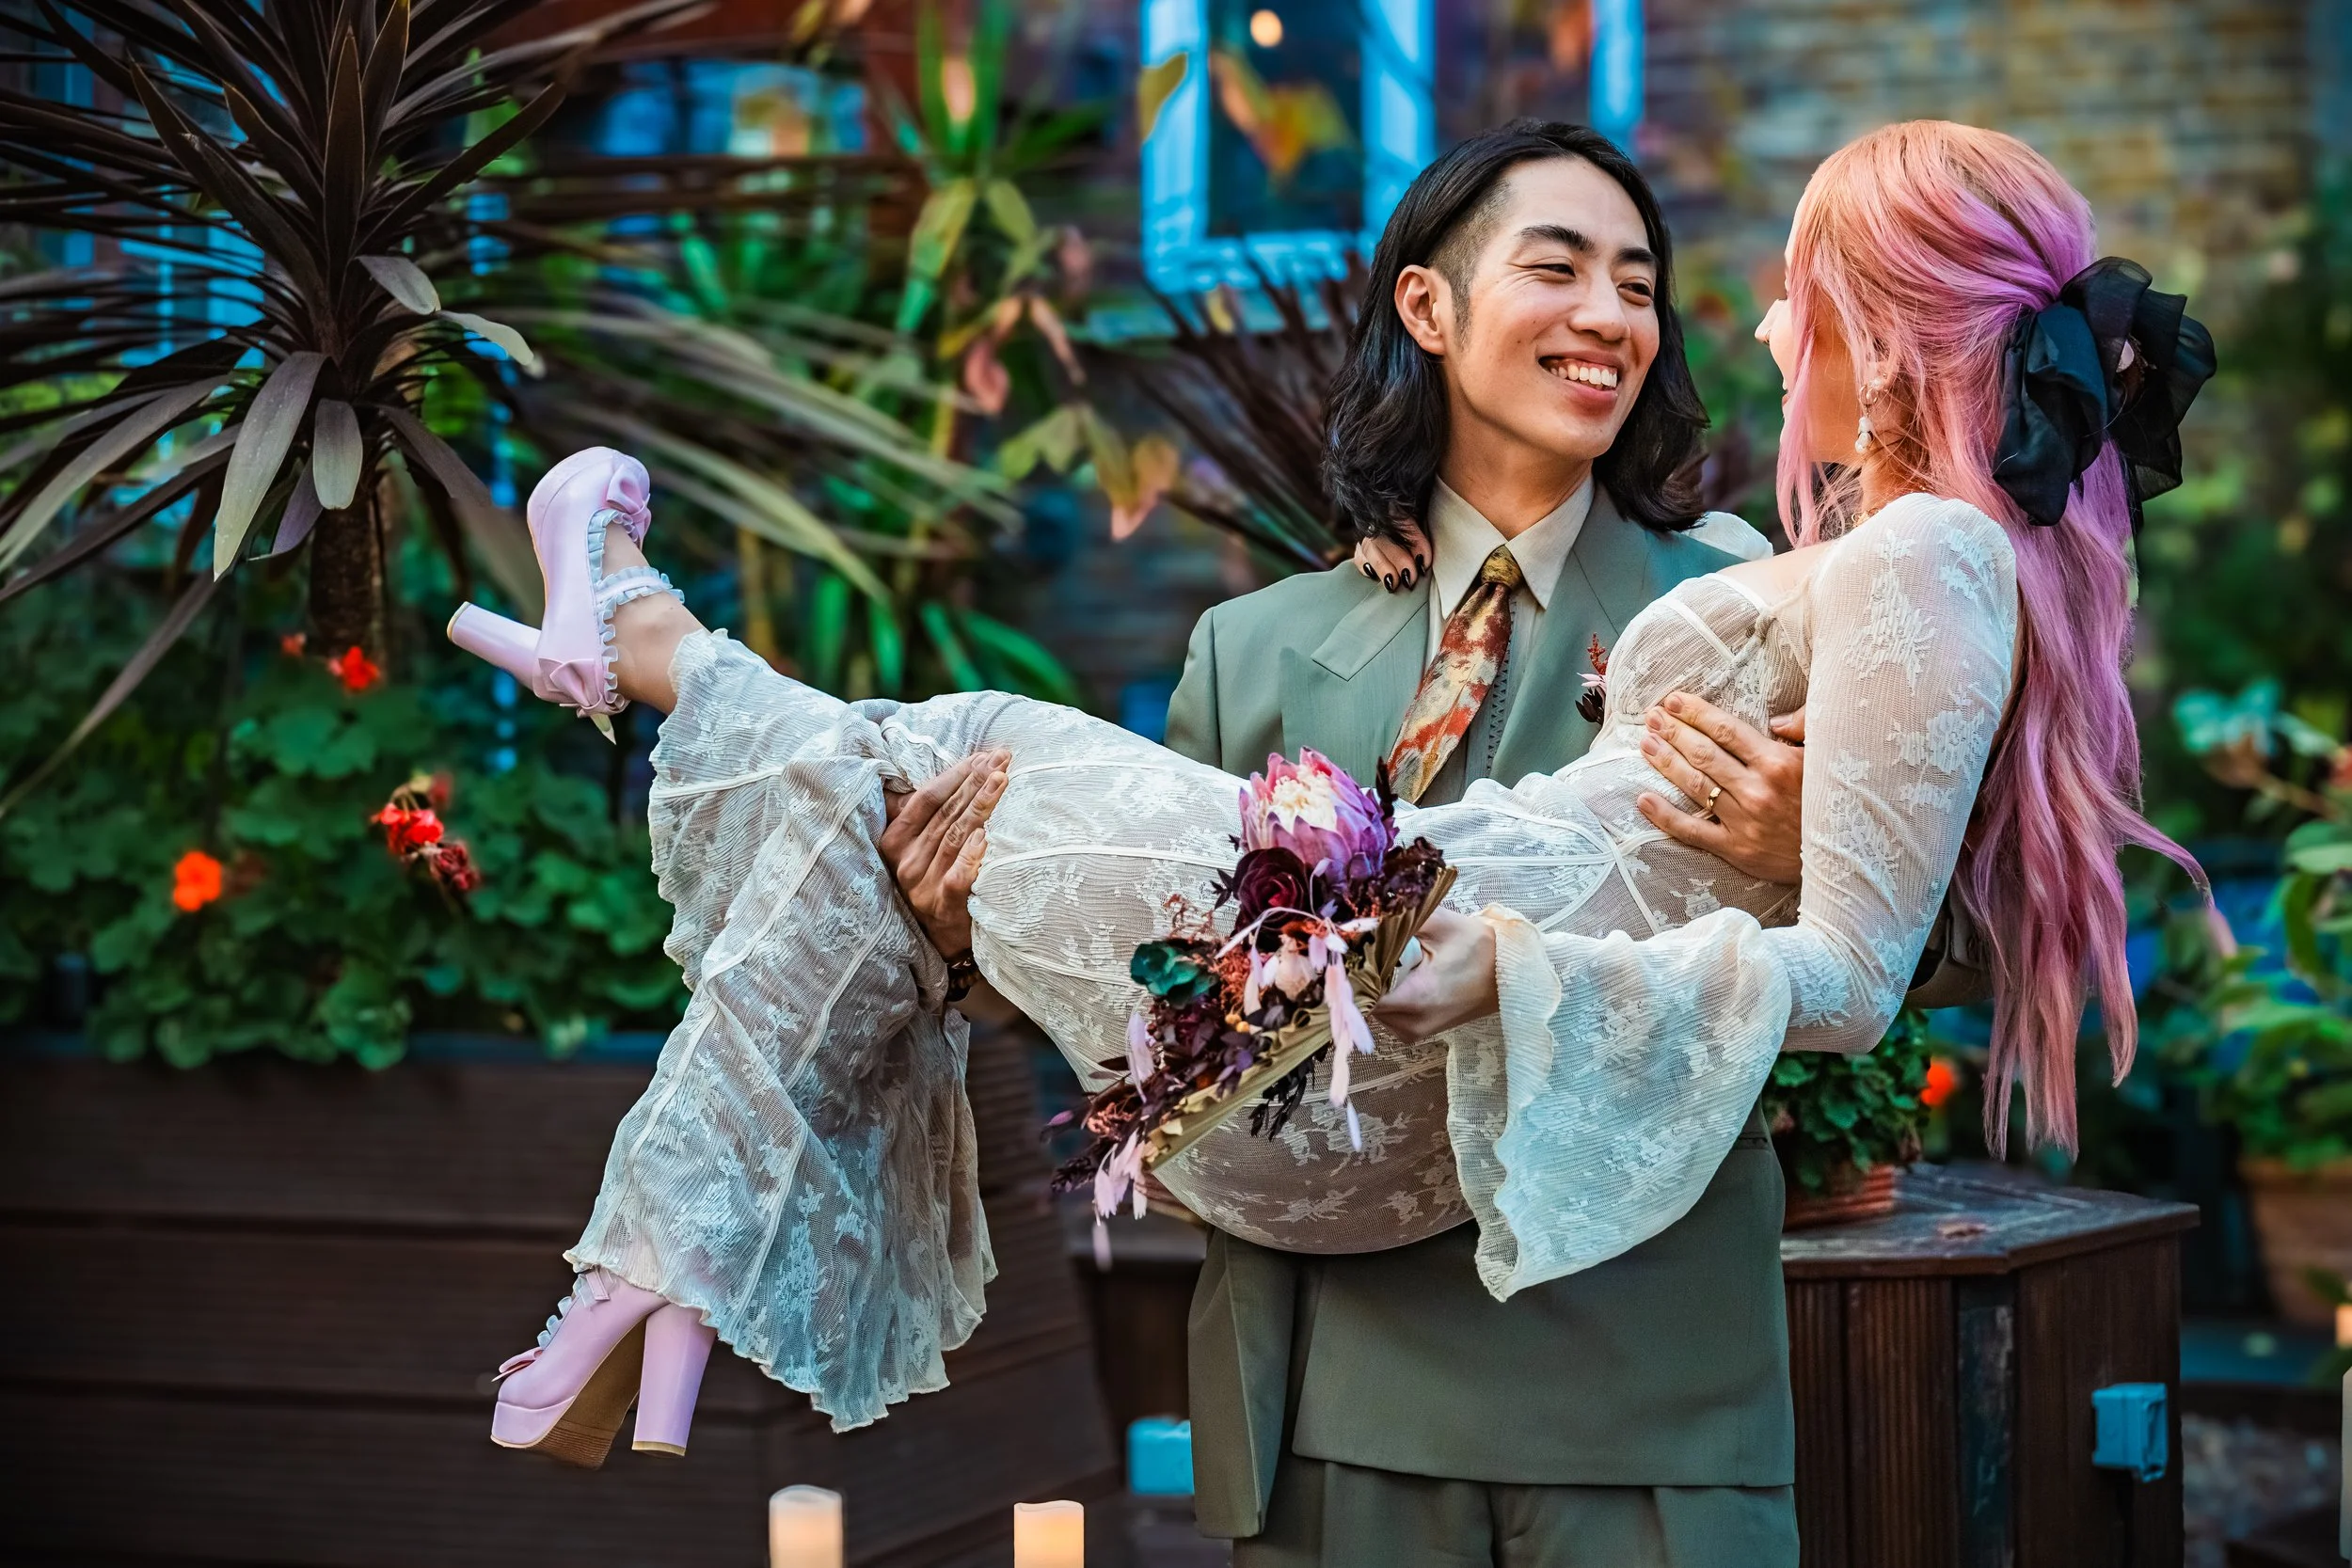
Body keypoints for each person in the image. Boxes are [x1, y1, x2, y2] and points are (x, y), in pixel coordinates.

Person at [453, 119, 2206, 1568]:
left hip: (1638, 1389)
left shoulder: (1752, 571)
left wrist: (1785, 834)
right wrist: (963, 936)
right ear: (1430, 307)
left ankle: (653, 726)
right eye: (1561, 264)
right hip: (1331, 1397)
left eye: (1647, 282)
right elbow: (1150, 1014)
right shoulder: (1254, 644)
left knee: (945, 739)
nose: (1629, 315)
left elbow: (1913, 918)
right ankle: (659, 1226)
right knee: (921, 797)